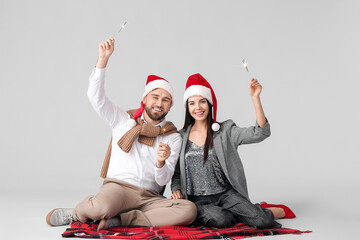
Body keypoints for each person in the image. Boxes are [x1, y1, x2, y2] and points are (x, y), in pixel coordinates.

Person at [46, 38, 197, 231]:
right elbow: (95, 97)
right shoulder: (123, 120)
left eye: (166, 100)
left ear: (170, 105)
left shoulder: (172, 136)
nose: (159, 103)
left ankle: (121, 220)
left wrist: (161, 163)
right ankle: (76, 213)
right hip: (118, 189)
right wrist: (102, 60)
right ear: (144, 99)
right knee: (102, 206)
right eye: (155, 97)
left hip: (150, 198)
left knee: (189, 211)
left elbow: (163, 180)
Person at [170, 73, 295, 228]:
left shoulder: (225, 130)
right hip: (197, 200)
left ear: (209, 104)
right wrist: (176, 189)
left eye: (202, 101)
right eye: (192, 103)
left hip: (226, 195)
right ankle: (241, 213)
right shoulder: (180, 137)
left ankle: (255, 211)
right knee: (222, 220)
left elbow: (260, 133)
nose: (197, 107)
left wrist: (255, 98)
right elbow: (176, 174)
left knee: (263, 221)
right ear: (187, 107)